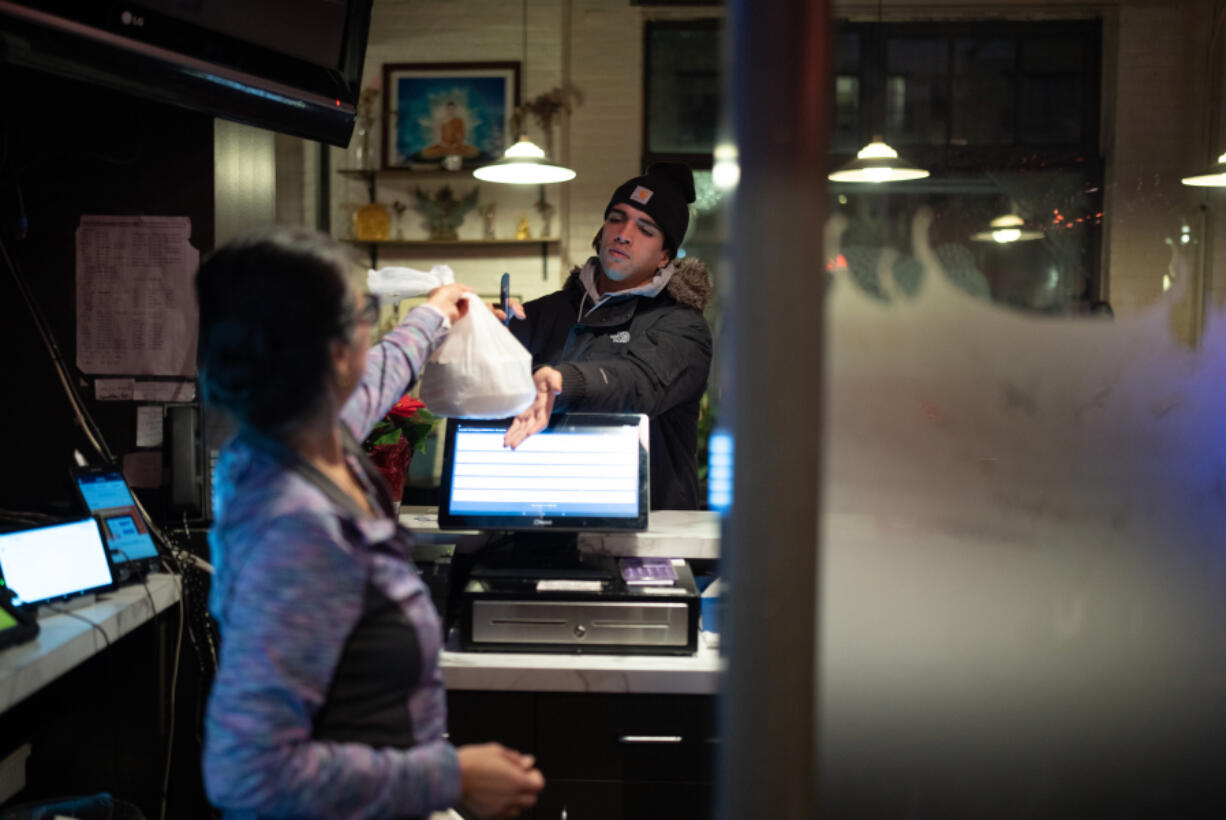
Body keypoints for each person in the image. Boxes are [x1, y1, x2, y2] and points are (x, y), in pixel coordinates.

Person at [196, 228, 544, 819]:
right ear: (333, 353)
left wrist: (435, 315)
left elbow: (383, 371)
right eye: (365, 313)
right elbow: (248, 774)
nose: (374, 330)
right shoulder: (295, 527)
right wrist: (448, 777)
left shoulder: (303, 432)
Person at [502, 162, 712, 510]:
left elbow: (639, 383)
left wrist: (563, 380)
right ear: (601, 232)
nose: (624, 234)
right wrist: (478, 334)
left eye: (645, 229)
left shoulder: (682, 327)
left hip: (645, 529)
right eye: (616, 218)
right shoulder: (542, 313)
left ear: (665, 256)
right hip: (538, 517)